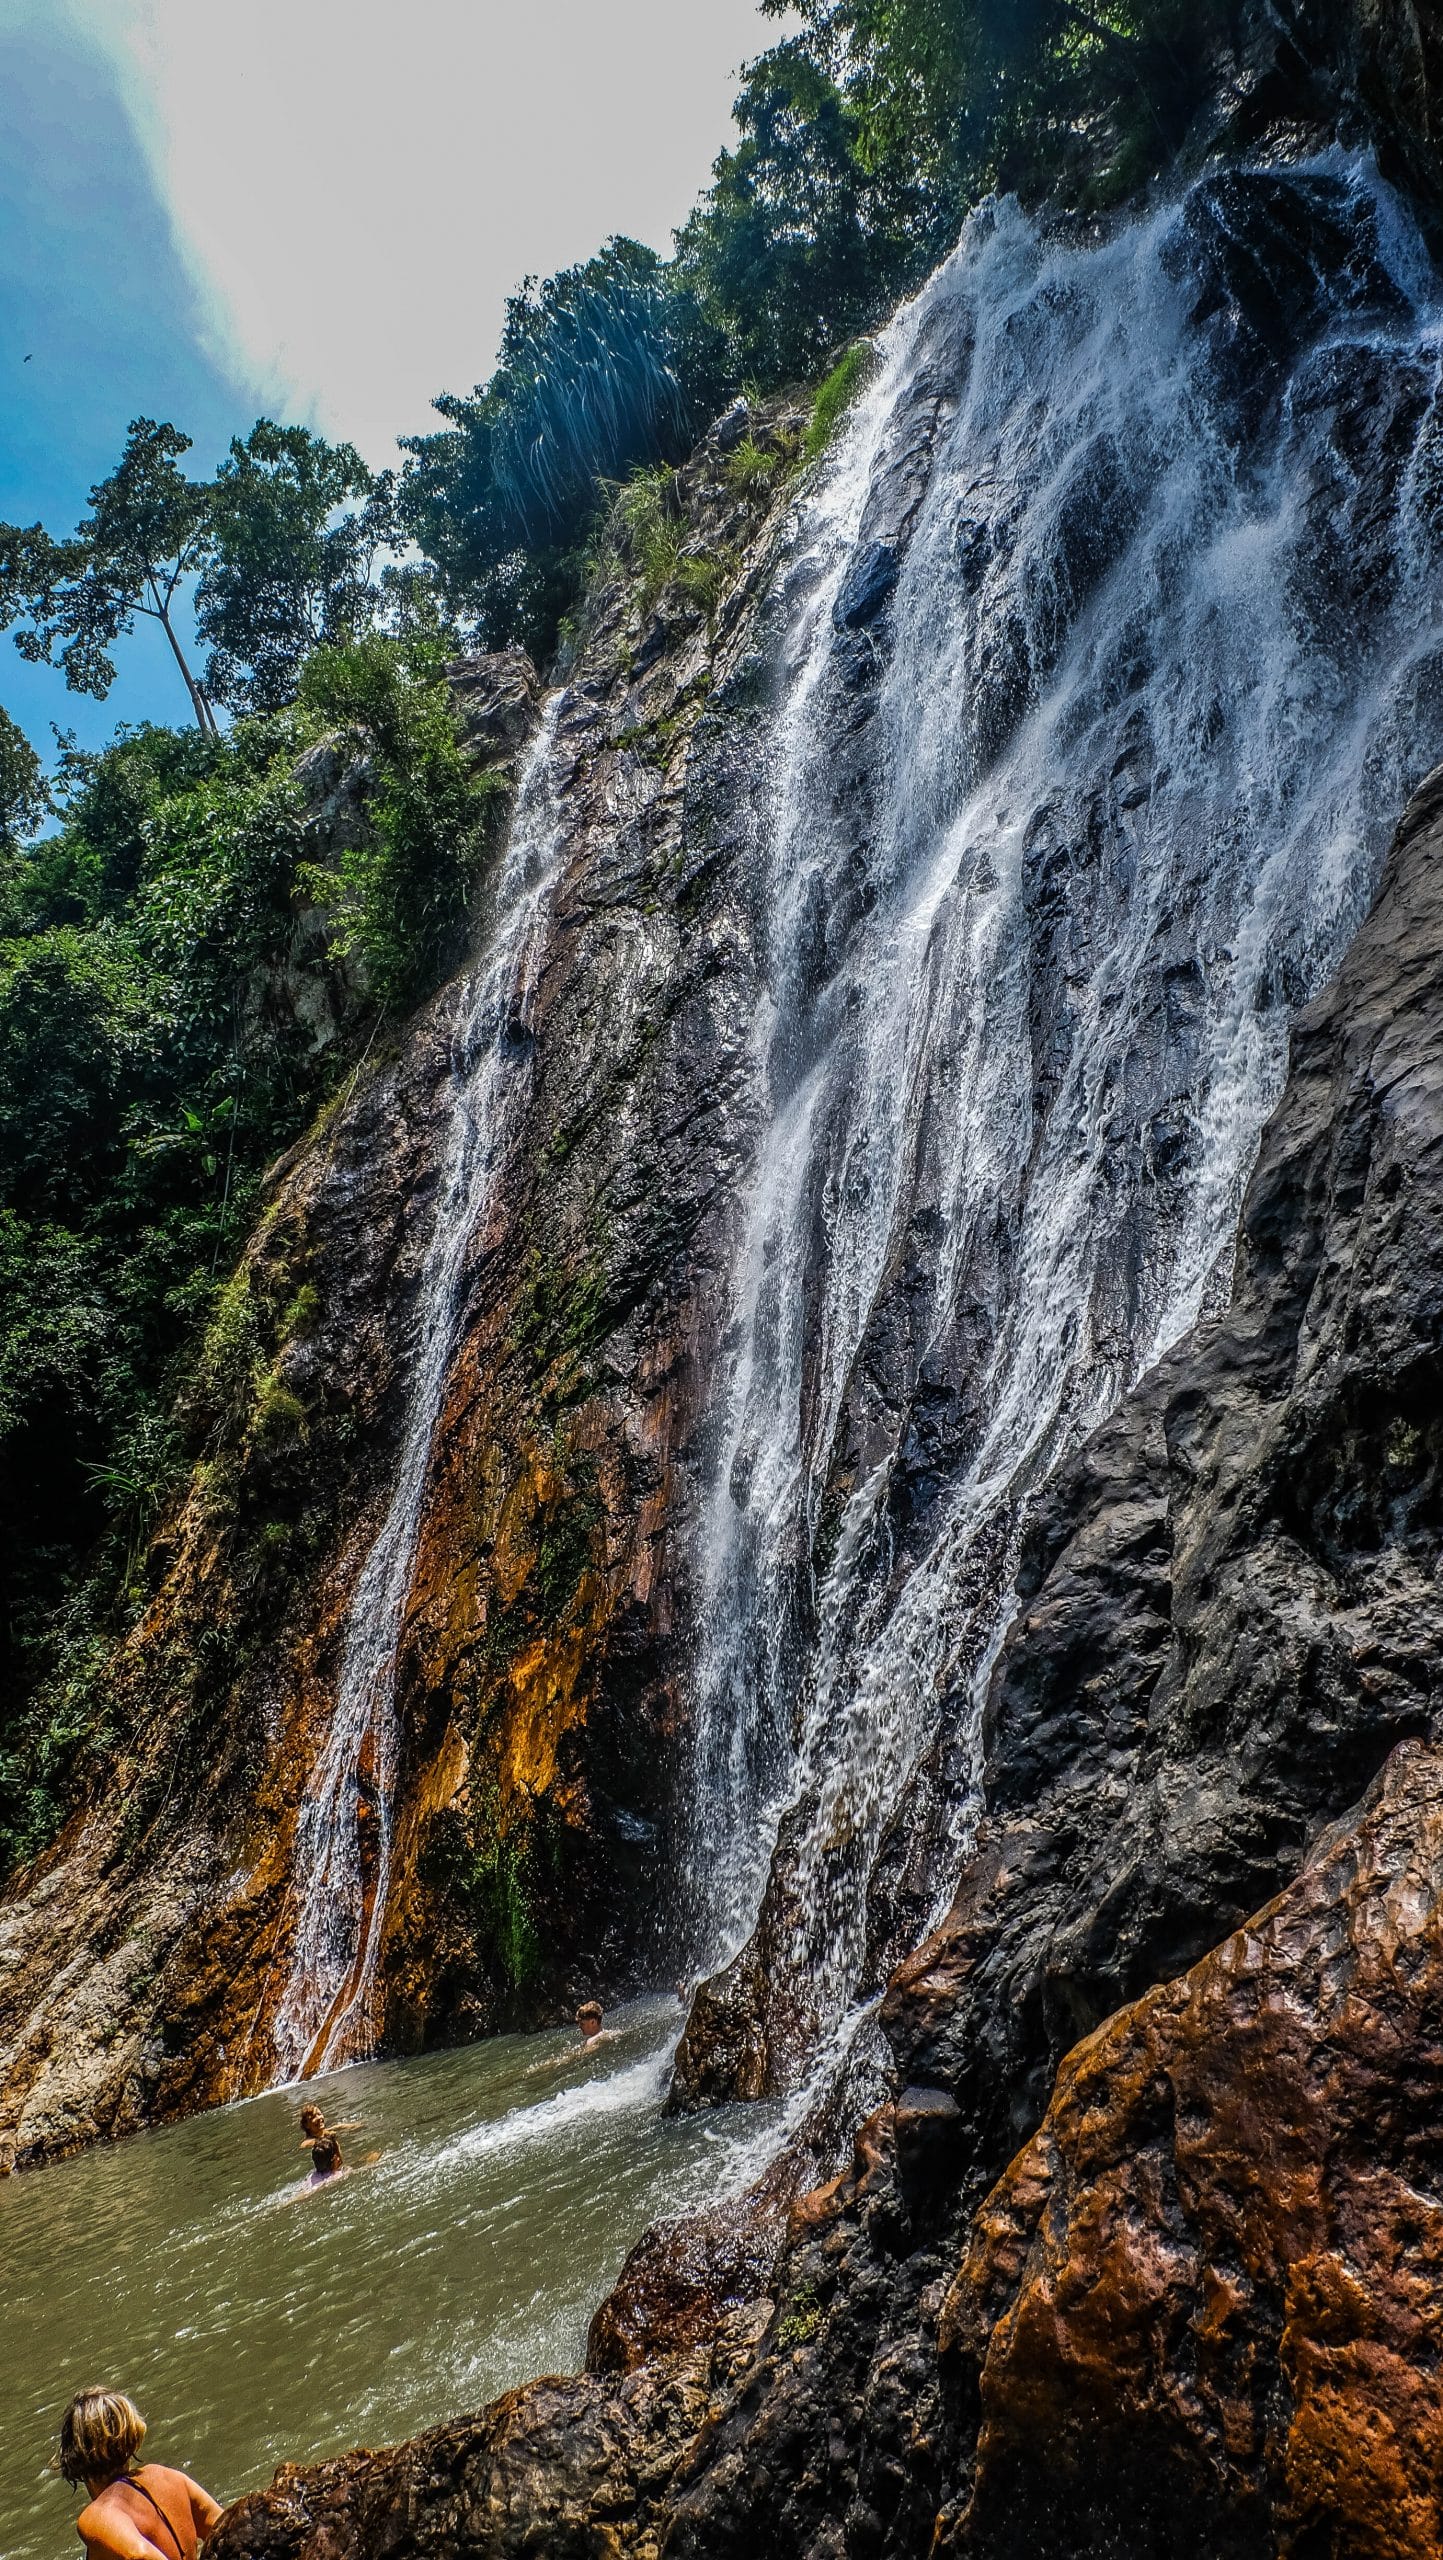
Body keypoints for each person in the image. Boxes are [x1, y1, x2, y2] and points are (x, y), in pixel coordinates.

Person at [58, 2388, 221, 2560]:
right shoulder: (169, 2478)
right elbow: (229, 2526)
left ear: (72, 2453)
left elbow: (141, 2555)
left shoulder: (98, 2516)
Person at [298, 2102, 360, 2180]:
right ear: (306, 2125)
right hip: (328, 2173)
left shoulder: (328, 2132)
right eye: (313, 2117)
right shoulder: (307, 2143)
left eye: (319, 2114)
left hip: (337, 2166)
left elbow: (339, 2127)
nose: (319, 2118)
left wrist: (357, 2125)